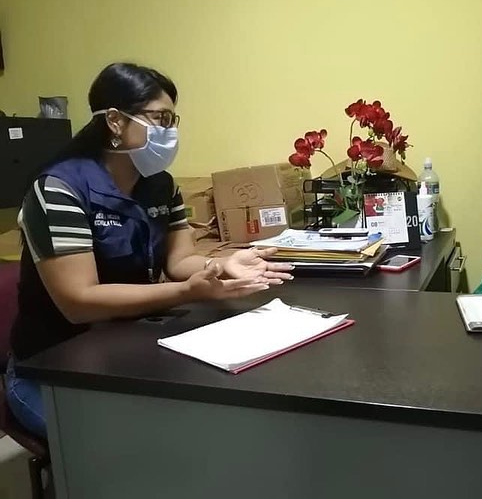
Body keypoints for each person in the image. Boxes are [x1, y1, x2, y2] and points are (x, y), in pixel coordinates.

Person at [5, 63, 294, 437]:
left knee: (207, 426)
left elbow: (179, 260)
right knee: (134, 449)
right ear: (114, 120)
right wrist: (186, 292)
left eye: (173, 120)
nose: (170, 132)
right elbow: (79, 302)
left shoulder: (160, 185)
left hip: (128, 351)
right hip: (52, 371)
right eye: (160, 119)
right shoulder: (60, 189)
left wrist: (222, 263)